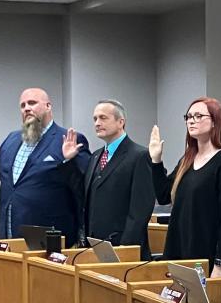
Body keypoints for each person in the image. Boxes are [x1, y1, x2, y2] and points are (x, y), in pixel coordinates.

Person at [0, 87, 89, 246]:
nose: (27, 108)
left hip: (49, 235)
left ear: (48, 106)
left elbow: (82, 184)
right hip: (11, 231)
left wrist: (69, 161)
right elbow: (3, 175)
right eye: (23, 105)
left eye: (32, 103)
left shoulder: (67, 139)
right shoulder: (12, 139)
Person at [148, 97, 221, 272]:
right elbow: (163, 196)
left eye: (199, 116)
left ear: (215, 121)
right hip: (180, 253)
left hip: (208, 258)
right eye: (189, 116)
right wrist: (156, 160)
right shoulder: (187, 159)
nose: (192, 120)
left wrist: (220, 263)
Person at [60, 99, 155, 259]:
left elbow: (140, 210)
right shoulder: (96, 156)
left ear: (120, 122)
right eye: (95, 119)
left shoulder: (139, 156)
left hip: (122, 249)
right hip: (93, 247)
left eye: (103, 118)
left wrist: (125, 249)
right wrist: (70, 162)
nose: (97, 123)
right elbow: (83, 194)